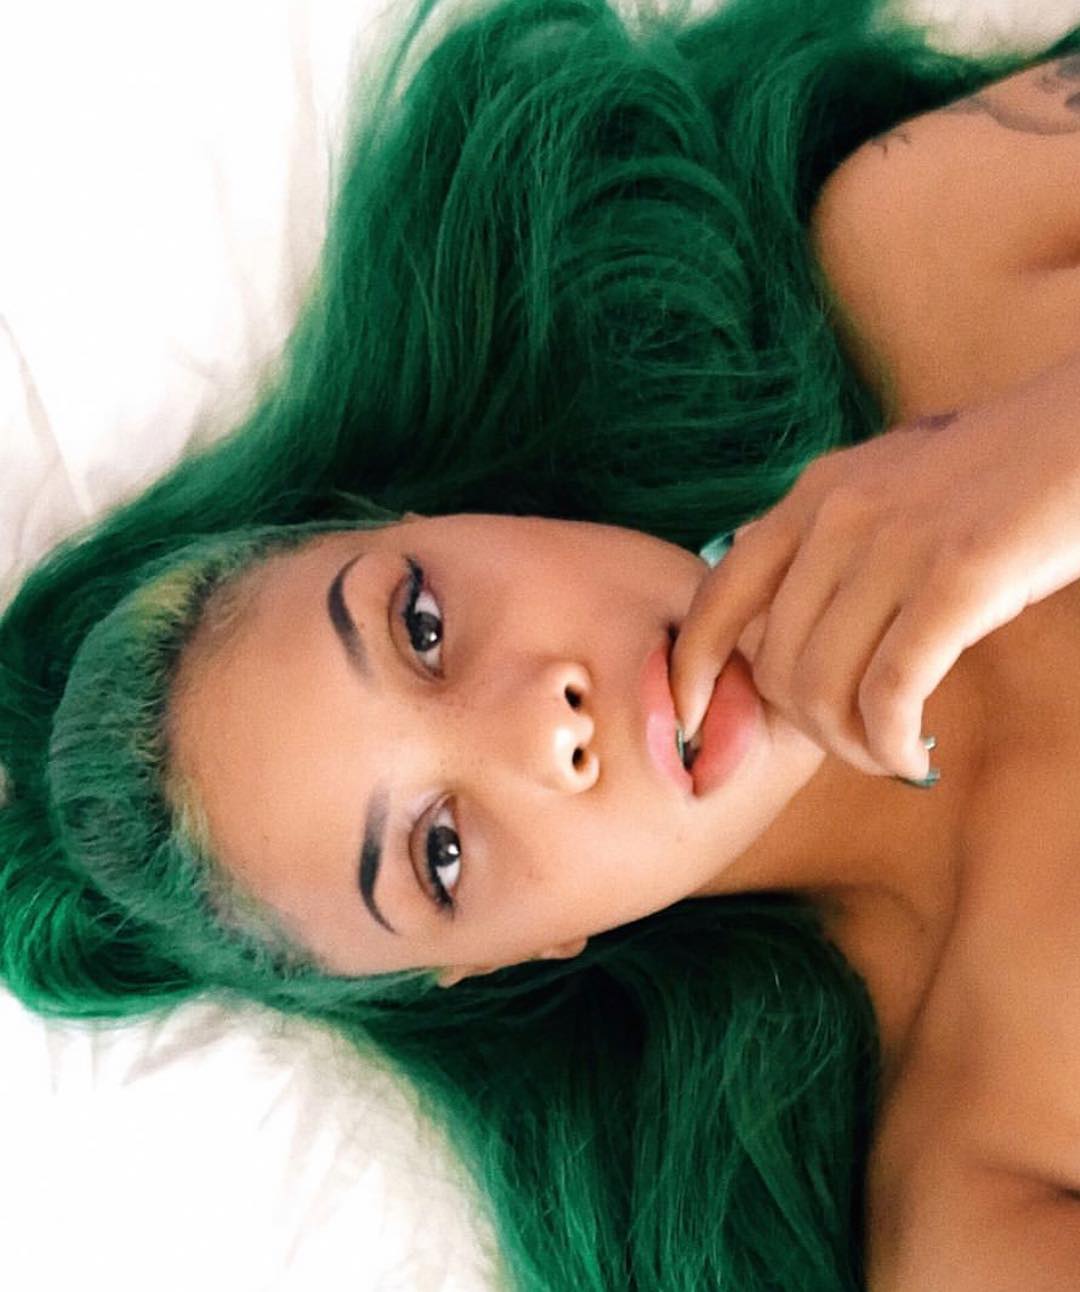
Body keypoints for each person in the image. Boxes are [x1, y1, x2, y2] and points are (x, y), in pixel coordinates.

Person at [3, 0, 1080, 1286]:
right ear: (505, 955)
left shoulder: (928, 243)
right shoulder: (978, 1192)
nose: (543, 720)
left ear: (455, 516)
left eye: (421, 626)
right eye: (441, 850)